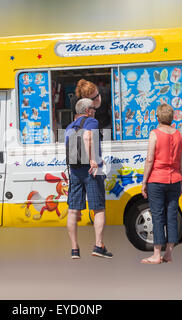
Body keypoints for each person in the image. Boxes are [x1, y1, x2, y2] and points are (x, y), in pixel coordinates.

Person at [65, 98, 112, 259]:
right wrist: (93, 159)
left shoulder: (70, 126)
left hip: (75, 171)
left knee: (72, 210)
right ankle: (99, 245)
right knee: (98, 208)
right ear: (87, 110)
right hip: (91, 171)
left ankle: (74, 249)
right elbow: (87, 138)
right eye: (93, 108)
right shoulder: (91, 121)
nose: (95, 111)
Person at [141, 103, 182, 264]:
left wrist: (144, 181)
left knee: (158, 216)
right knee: (172, 216)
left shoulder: (154, 134)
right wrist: (180, 180)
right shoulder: (179, 135)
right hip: (174, 180)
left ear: (158, 117)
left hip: (156, 180)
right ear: (172, 117)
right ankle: (169, 253)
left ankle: (156, 254)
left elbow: (150, 159)